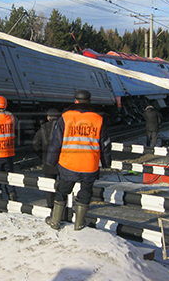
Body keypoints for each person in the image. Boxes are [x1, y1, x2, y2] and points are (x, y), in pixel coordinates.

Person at [45, 90, 111, 231]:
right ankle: (79, 223)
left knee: (62, 190)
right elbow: (105, 143)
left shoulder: (66, 117)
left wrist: (50, 160)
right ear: (90, 102)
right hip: (90, 164)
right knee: (86, 191)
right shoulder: (99, 119)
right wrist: (106, 162)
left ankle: (55, 221)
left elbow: (56, 142)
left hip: (69, 163)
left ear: (75, 101)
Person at [33, 109, 61, 207]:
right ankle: (62, 207)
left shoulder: (43, 128)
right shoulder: (65, 128)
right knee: (63, 186)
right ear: (59, 118)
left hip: (48, 163)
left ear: (48, 118)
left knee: (49, 186)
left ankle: (50, 206)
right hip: (63, 162)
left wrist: (43, 157)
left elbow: (36, 144)